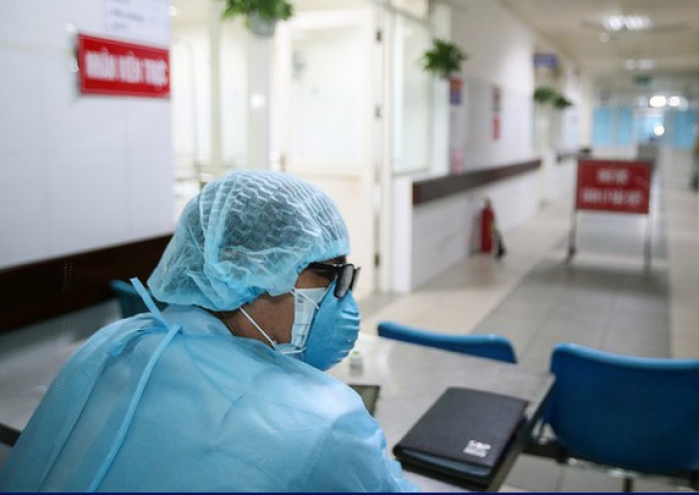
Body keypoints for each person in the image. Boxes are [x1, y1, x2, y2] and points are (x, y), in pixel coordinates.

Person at [0, 171, 418, 492]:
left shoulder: (107, 344)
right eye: (332, 274)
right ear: (259, 271)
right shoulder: (328, 424)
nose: (342, 296)